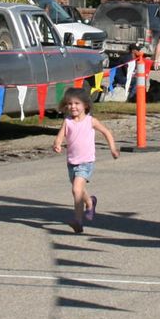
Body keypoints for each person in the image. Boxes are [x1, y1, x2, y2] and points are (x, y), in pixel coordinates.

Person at [53, 87, 120, 234]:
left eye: (77, 103)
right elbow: (60, 136)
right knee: (80, 190)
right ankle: (90, 202)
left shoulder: (91, 121)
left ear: (86, 105)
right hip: (71, 162)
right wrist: (57, 144)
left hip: (86, 162)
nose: (73, 107)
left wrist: (113, 149)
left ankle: (78, 220)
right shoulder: (68, 122)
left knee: (76, 189)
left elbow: (106, 132)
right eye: (70, 104)